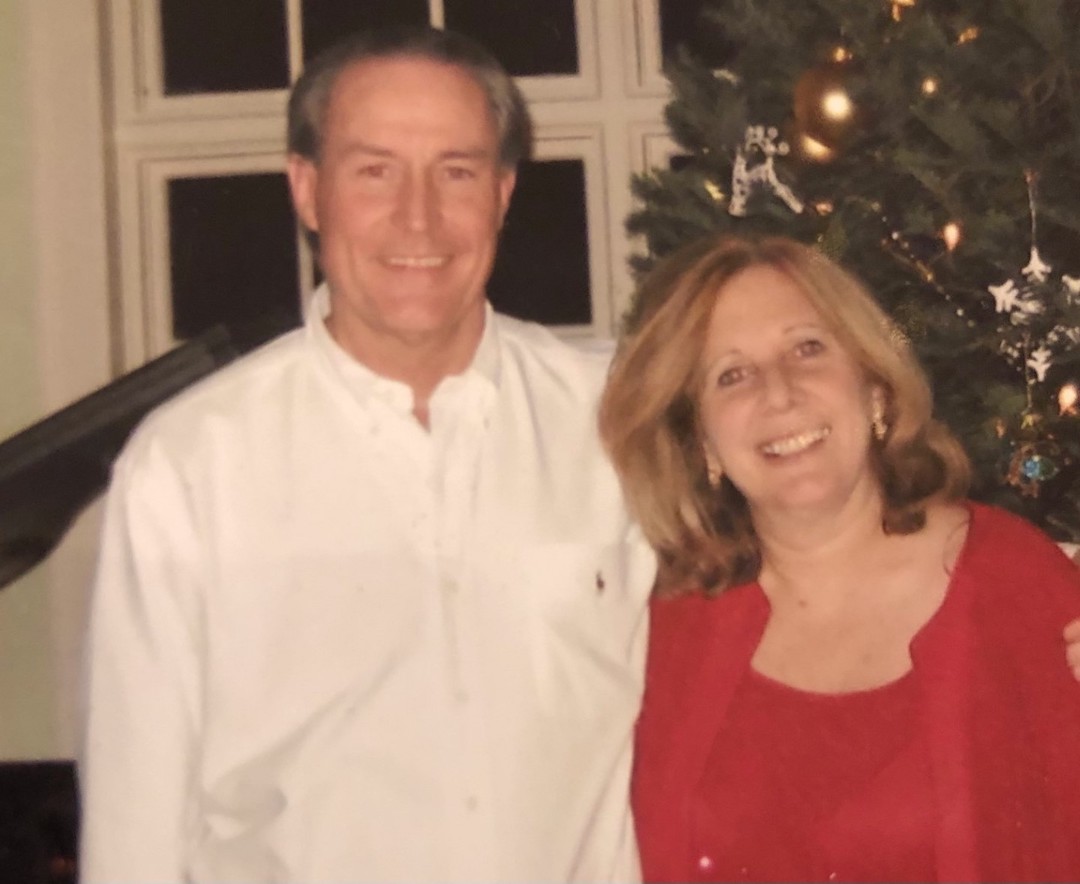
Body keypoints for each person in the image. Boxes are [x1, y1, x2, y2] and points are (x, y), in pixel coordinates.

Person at [78, 26, 656, 882]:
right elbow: (137, 823)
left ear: (502, 193)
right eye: (374, 170)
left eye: (456, 171)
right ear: (308, 190)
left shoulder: (615, 424)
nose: (416, 217)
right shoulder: (190, 467)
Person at [599, 233, 1080, 882]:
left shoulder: (1013, 584)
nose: (780, 393)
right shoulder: (664, 626)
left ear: (874, 389)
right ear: (703, 442)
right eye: (731, 374)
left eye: (808, 349)